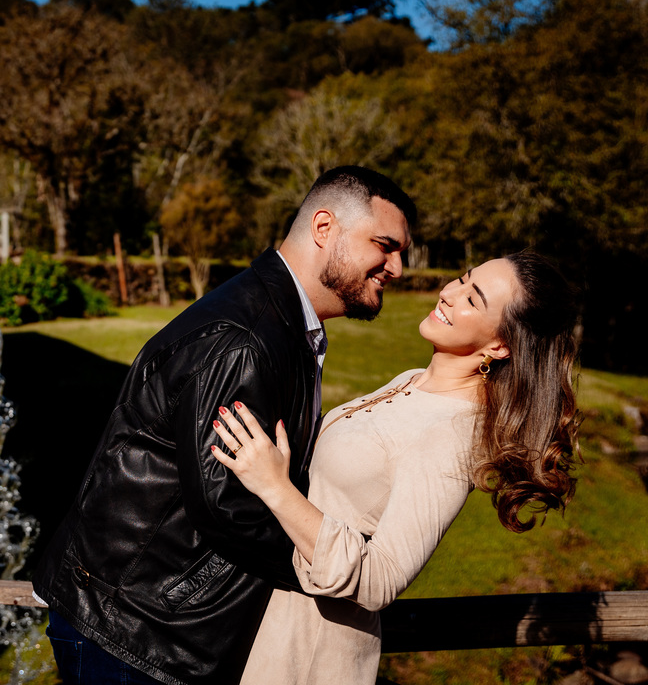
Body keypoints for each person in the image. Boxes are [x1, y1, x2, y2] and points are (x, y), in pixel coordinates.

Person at [33, 166, 417, 685]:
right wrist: (335, 566)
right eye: (385, 246)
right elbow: (227, 507)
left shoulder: (280, 321)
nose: (397, 268)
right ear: (324, 228)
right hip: (135, 631)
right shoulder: (245, 341)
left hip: (149, 618)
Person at [210, 251, 580, 685]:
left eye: (472, 299)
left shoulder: (453, 435)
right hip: (265, 617)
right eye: (462, 279)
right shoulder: (412, 379)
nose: (449, 293)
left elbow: (380, 580)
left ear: (499, 346)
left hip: (307, 649)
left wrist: (276, 488)